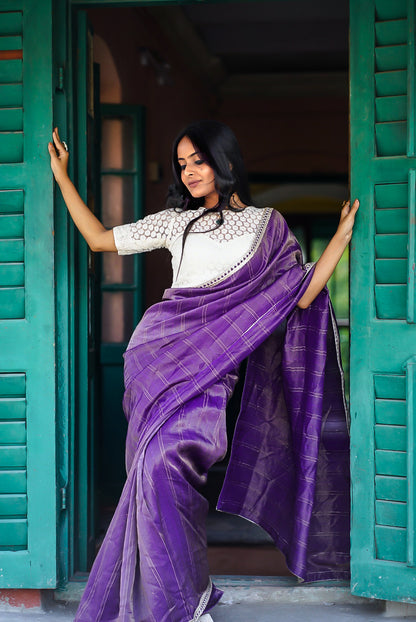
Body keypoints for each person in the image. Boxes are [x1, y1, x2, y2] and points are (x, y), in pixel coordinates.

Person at [49, 120, 358, 622]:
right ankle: (184, 601)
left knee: (165, 467)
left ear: (225, 160)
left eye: (199, 160)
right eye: (182, 164)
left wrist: (340, 238)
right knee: (152, 479)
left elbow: (299, 295)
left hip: (212, 374)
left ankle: (177, 599)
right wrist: (62, 176)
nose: (190, 171)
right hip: (156, 362)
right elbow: (100, 240)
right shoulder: (177, 222)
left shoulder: (268, 225)